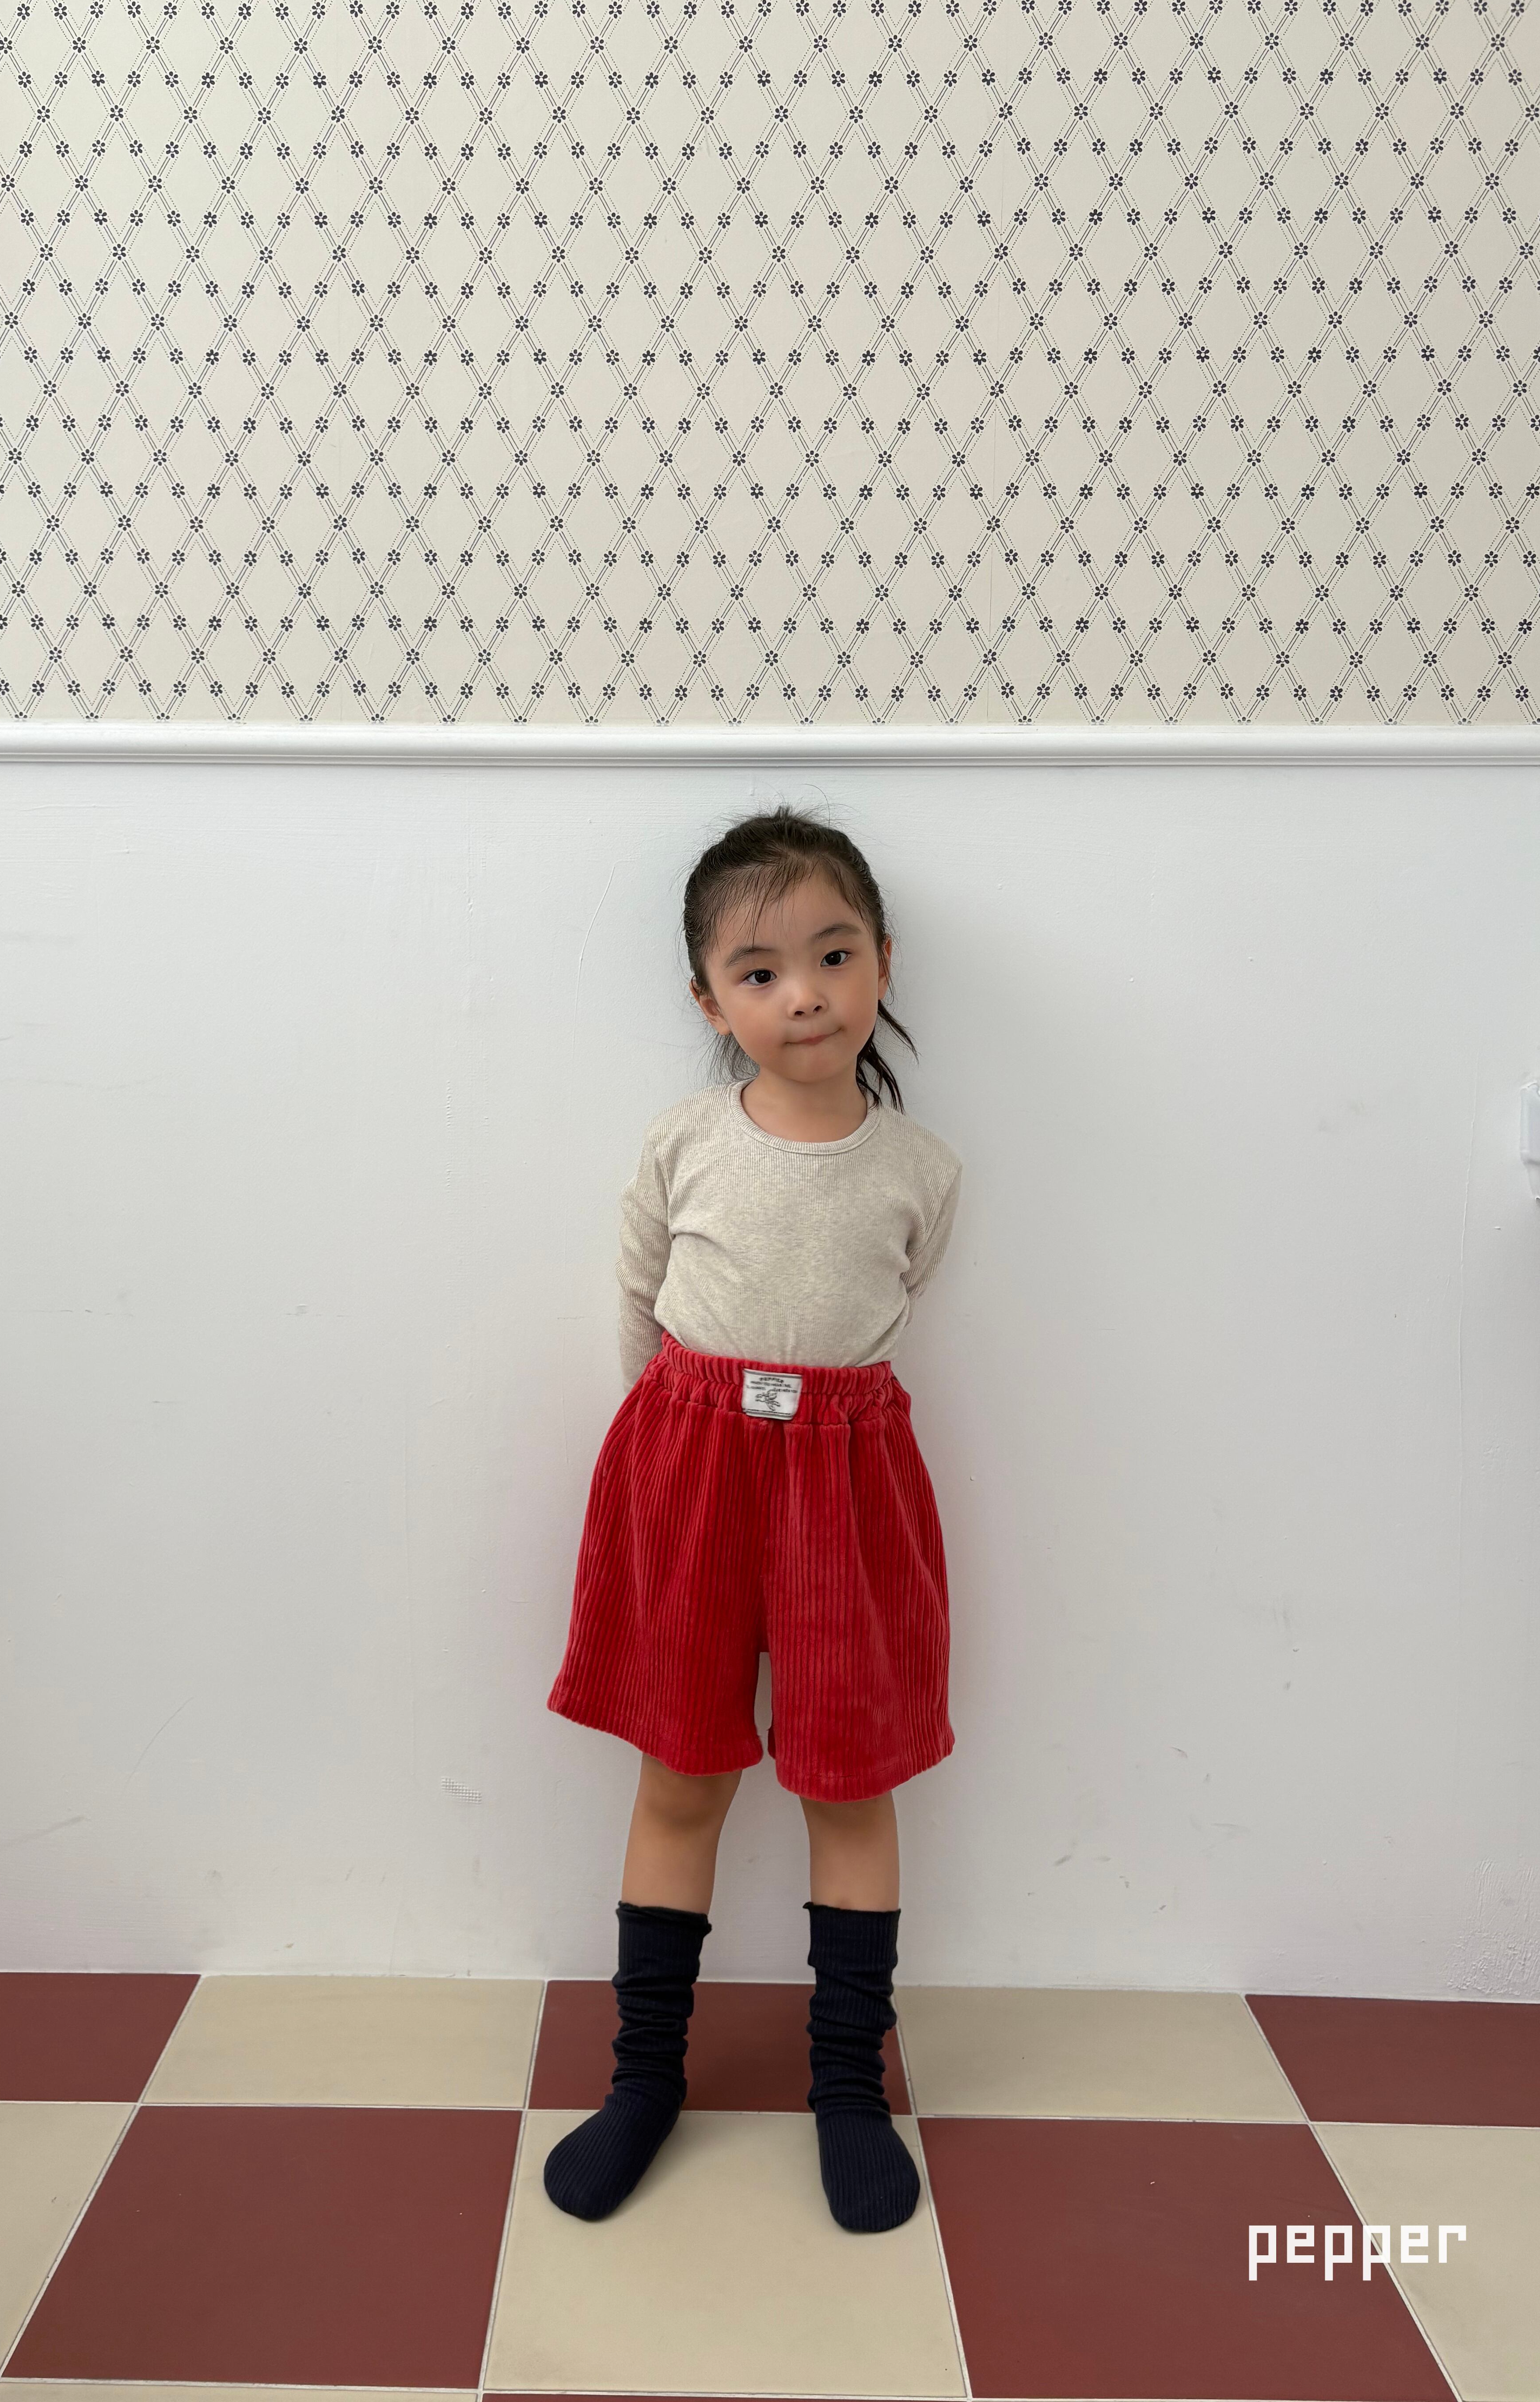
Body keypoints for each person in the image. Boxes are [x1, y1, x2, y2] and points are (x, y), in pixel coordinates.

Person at [544, 804, 963, 2235]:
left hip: (850, 1478)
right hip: (690, 1466)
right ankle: (642, 2080)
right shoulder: (683, 1143)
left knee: (849, 1782)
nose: (805, 995)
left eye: (834, 956)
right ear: (709, 1001)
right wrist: (684, 1446)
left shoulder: (922, 1169)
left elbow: (901, 1295)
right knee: (681, 1776)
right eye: (761, 970)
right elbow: (637, 1301)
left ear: (883, 963)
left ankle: (847, 2090)